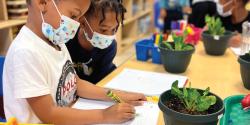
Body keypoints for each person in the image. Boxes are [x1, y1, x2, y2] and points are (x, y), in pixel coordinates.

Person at [3, 0, 146, 124]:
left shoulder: (56, 41)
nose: (78, 24)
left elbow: (75, 83)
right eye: (73, 16)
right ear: (42, 2)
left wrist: (118, 95)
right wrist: (103, 115)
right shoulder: (25, 51)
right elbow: (48, 114)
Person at [66, 0, 126, 84]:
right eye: (104, 30)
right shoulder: (67, 40)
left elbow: (102, 82)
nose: (109, 35)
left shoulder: (110, 47)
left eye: (114, 29)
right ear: (83, 22)